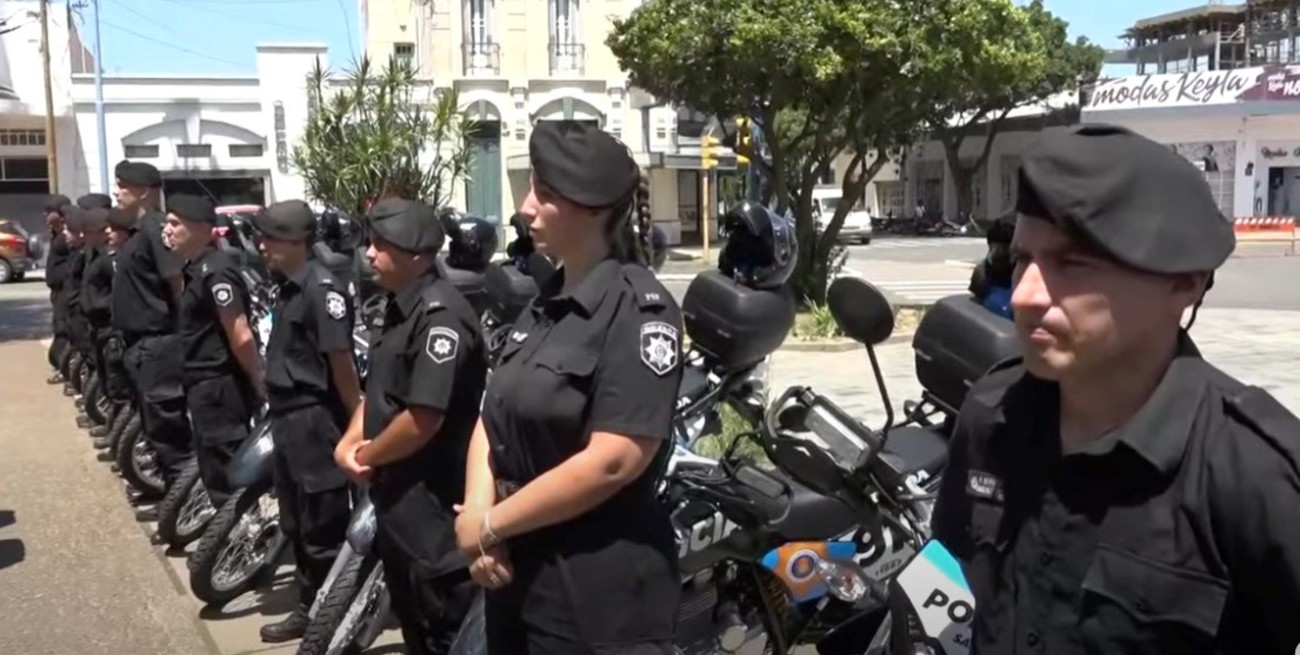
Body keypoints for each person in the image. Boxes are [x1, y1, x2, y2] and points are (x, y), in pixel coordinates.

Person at [931, 124, 1300, 655]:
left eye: (1072, 264)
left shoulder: (1254, 475)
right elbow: (956, 588)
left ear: (1184, 282)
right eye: (1023, 259)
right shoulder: (992, 415)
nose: (1025, 296)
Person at [454, 120, 682, 655]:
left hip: (596, 603)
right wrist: (479, 515)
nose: (526, 209)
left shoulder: (639, 310)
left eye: (546, 195)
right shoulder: (545, 300)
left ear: (594, 209)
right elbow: (494, 411)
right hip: (519, 578)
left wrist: (490, 524)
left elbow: (614, 460)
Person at [334, 198, 487, 654]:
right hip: (397, 501)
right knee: (413, 626)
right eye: (371, 242)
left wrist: (366, 455)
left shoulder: (441, 318)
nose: (369, 253)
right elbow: (382, 391)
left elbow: (423, 418)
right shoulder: (399, 306)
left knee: (441, 629)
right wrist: (349, 442)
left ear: (417, 257)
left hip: (432, 513)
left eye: (382, 245)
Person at [253, 200, 362, 643]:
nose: (262, 245)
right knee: (295, 521)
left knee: (322, 527)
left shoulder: (322, 290)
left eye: (271, 238)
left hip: (314, 420)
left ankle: (328, 618)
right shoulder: (289, 285)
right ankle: (308, 605)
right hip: (287, 419)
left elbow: (341, 365)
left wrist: (356, 422)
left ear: (297, 242)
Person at [163, 195, 262, 509]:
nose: (167, 230)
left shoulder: (217, 272)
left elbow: (240, 335)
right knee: (212, 466)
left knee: (226, 472)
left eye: (175, 223)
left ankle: (242, 528)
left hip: (219, 387)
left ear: (201, 228)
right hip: (202, 385)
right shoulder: (196, 268)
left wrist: (258, 380)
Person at [111, 160, 191, 490]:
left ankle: (188, 503)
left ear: (143, 191)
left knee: (169, 433)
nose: (116, 192)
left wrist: (186, 331)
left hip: (158, 344)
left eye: (123, 186)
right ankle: (171, 498)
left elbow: (177, 282)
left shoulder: (157, 229)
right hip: (141, 345)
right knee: (155, 429)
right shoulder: (139, 231)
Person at [76, 205, 115, 439]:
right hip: (96, 325)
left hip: (109, 325)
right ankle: (111, 426)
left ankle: (115, 431)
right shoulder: (93, 255)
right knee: (106, 379)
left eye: (89, 232)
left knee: (117, 385)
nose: (84, 236)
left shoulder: (109, 259)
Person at [44, 194, 73, 379]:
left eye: (49, 212)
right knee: (58, 325)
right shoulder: (55, 234)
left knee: (63, 328)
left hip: (65, 290)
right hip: (56, 291)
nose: (45, 215)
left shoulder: (67, 236)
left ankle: (65, 369)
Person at [967, 210, 1015, 320]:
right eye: (996, 246)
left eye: (1004, 248)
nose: (998, 251)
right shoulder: (981, 274)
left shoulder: (1024, 273)